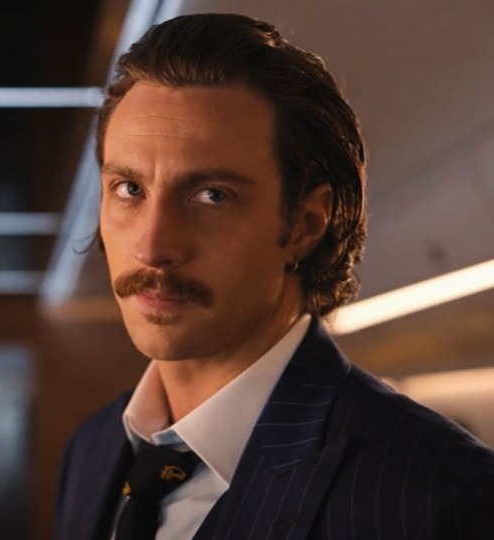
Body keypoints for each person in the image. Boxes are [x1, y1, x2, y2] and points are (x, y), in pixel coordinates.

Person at [55, 13, 494, 540]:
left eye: (211, 195)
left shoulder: (436, 493)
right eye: (129, 189)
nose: (152, 247)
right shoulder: (93, 450)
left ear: (304, 224)